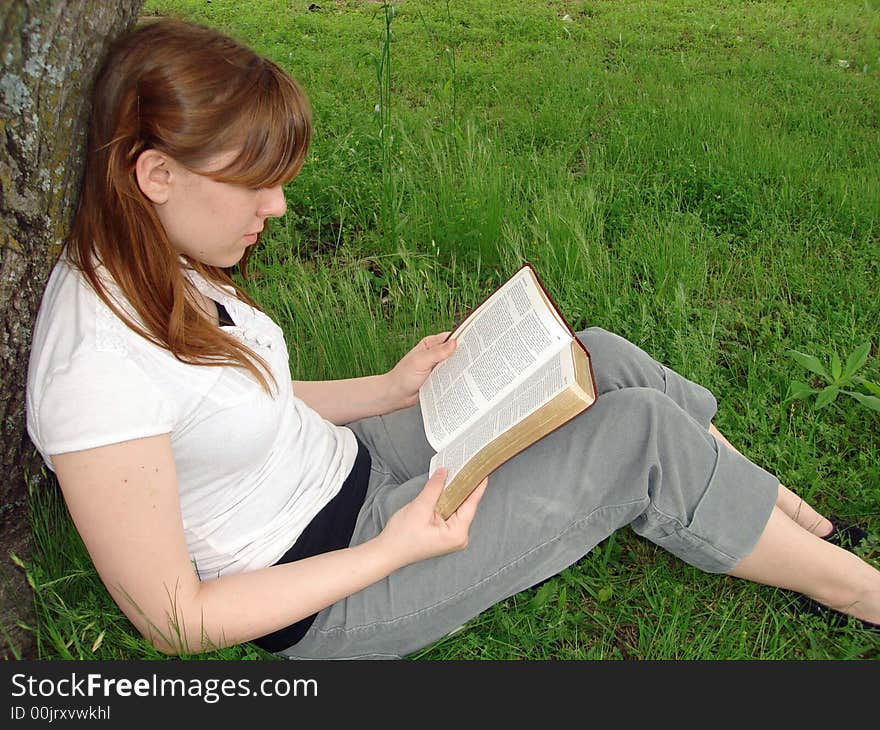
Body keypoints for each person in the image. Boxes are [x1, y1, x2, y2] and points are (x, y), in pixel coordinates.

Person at [26, 19, 879, 661]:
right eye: (254, 183)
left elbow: (232, 404)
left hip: (356, 460)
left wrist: (391, 390)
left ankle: (802, 524)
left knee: (594, 356)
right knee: (641, 437)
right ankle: (856, 592)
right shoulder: (94, 370)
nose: (277, 208)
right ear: (155, 174)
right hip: (331, 585)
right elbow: (173, 619)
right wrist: (395, 549)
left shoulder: (154, 255)